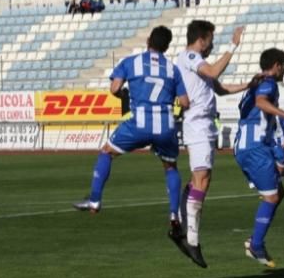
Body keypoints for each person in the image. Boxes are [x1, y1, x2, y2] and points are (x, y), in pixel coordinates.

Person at [72, 27, 198, 260]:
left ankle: (95, 199)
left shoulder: (131, 62)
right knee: (170, 167)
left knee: (106, 152)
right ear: (167, 47)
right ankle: (173, 216)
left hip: (139, 123)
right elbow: (185, 101)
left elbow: (114, 88)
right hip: (165, 125)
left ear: (148, 40)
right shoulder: (172, 69)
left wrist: (124, 97)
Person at [175, 20, 251, 265]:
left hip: (204, 125)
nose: (212, 44)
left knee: (200, 178)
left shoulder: (198, 64)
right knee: (203, 178)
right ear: (202, 39)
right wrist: (233, 45)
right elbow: (214, 72)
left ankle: (179, 223)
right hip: (197, 124)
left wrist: (249, 84)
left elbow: (220, 88)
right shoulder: (189, 56)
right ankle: (192, 239)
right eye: (211, 39)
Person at [234, 48, 284, 267]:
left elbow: (248, 105)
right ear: (275, 65)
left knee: (277, 192)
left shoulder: (256, 83)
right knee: (272, 197)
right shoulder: (269, 82)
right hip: (254, 147)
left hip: (245, 146)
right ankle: (256, 243)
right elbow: (261, 102)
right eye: (283, 64)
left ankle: (256, 241)